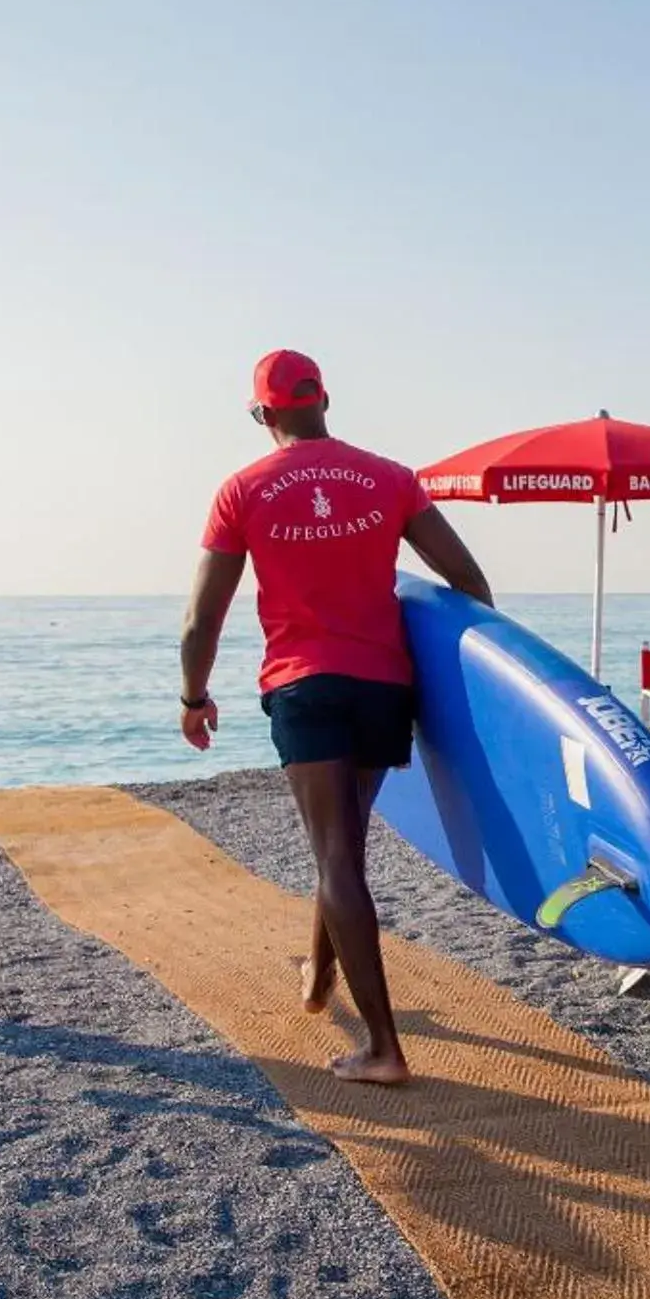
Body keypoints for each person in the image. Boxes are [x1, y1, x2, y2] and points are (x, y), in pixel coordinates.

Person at [180, 349, 491, 1084]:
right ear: (325, 399)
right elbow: (469, 583)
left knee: (337, 857)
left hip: (305, 686)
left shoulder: (243, 489)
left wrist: (194, 698)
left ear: (265, 414)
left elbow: (202, 618)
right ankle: (320, 981)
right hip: (386, 685)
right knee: (343, 842)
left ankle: (383, 1049)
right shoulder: (390, 478)